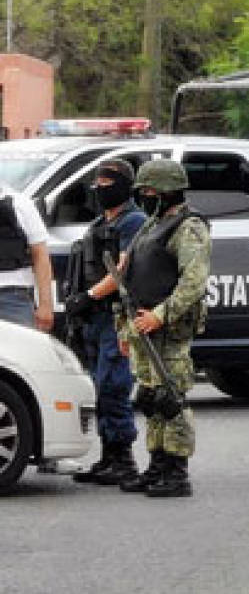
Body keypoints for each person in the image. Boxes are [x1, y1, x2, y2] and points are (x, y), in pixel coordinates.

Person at [115, 159, 211, 498]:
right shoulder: (151, 225)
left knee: (171, 398)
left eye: (151, 191)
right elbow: (129, 278)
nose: (145, 197)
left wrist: (160, 315)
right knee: (151, 399)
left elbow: (194, 282)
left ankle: (176, 472)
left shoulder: (189, 228)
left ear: (170, 191)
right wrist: (126, 328)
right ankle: (157, 466)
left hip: (168, 330)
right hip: (143, 327)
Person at [65, 160, 148, 485]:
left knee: (114, 386)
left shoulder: (134, 222)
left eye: (108, 181)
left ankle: (123, 460)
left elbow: (122, 271)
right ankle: (108, 457)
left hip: (116, 316)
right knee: (100, 388)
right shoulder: (100, 223)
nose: (101, 186)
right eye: (97, 180)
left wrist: (90, 295)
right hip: (95, 320)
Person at [0, 180, 53, 331]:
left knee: (19, 353)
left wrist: (45, 305)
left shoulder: (20, 204)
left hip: (12, 299)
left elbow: (40, 255)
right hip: (14, 300)